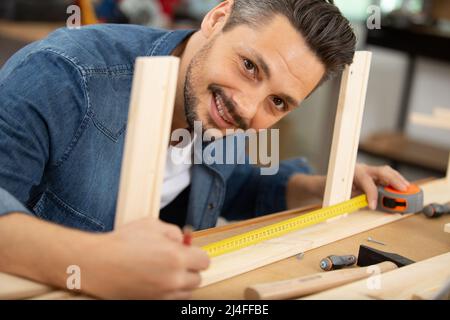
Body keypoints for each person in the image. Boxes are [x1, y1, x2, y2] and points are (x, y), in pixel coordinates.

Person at [0, 0, 410, 299]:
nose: (248, 108)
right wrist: (94, 264)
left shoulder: (217, 110)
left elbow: (237, 183)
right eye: (250, 66)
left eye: (279, 103)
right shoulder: (62, 75)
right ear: (217, 19)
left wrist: (326, 186)